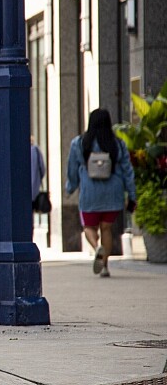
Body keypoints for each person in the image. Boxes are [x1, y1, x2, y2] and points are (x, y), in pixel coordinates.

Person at [65, 108, 137, 277]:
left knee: (88, 227)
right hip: (113, 192)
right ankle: (104, 266)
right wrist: (132, 195)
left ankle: (97, 247)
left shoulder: (79, 143)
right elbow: (128, 171)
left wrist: (70, 187)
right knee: (106, 229)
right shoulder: (118, 144)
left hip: (89, 193)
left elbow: (72, 169)